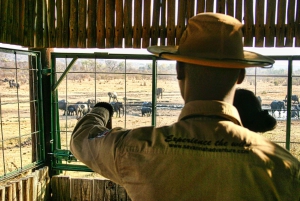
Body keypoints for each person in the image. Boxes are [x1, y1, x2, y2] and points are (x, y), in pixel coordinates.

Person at [70, 13, 300, 200]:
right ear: (240, 75)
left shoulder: (134, 148)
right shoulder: (285, 167)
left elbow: (82, 139)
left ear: (179, 70)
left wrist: (102, 108)